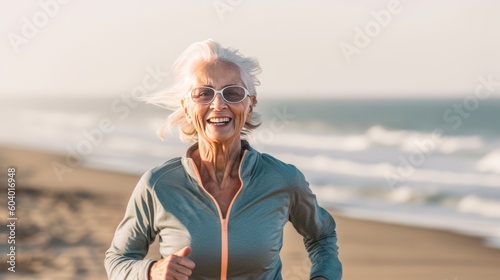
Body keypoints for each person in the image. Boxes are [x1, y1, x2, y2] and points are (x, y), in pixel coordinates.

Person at [104, 39, 342, 280]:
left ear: (249, 105)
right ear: (187, 107)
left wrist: (323, 276)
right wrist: (151, 271)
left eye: (233, 93)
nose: (218, 104)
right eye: (203, 94)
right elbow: (117, 260)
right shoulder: (158, 184)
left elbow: (322, 236)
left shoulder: (283, 179)